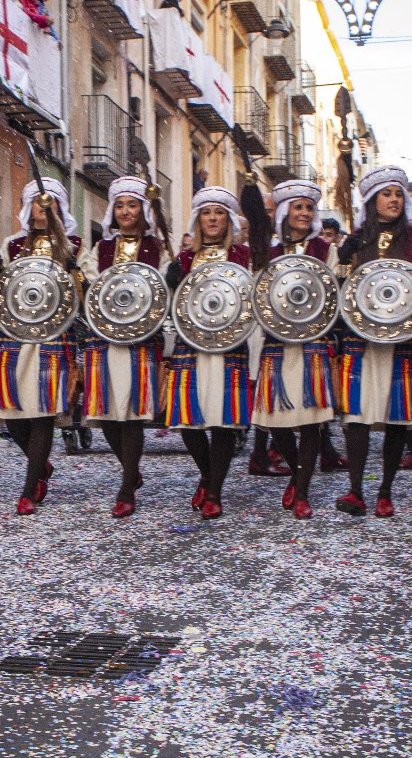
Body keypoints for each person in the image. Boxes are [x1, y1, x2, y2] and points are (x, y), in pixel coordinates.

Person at [333, 165, 412, 517]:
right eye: (387, 194)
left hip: (403, 338)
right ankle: (356, 490)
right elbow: (339, 291)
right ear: (373, 201)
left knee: (397, 417)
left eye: (398, 194)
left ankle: (385, 490)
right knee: (356, 416)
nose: (394, 200)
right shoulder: (356, 238)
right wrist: (343, 259)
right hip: (361, 339)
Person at [248, 178, 336, 519]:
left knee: (311, 422)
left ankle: (301, 491)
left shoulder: (325, 250)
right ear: (285, 211)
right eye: (297, 206)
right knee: (278, 422)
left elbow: (332, 293)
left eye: (309, 207)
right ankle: (299, 473)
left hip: (313, 341)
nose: (304, 212)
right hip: (276, 342)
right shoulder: (267, 252)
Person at [0, 180, 81, 515]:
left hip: (53, 336)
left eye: (51, 204)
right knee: (15, 415)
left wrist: (75, 271)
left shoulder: (75, 245)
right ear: (28, 208)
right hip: (13, 336)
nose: (43, 210)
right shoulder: (12, 245)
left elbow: (83, 293)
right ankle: (40, 465)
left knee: (41, 412)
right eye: (37, 204)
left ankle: (29, 490)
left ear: (60, 208)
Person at [81, 177, 166, 518]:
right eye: (120, 205)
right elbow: (90, 278)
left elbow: (160, 287)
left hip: (141, 339)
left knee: (131, 415)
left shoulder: (157, 248)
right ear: (112, 212)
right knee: (106, 417)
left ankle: (127, 485)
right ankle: (132, 471)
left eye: (132, 205)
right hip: (102, 337)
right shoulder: (100, 248)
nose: (126, 211)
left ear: (143, 210)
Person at [165, 187, 252, 519]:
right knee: (189, 420)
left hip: (231, 343)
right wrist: (172, 282)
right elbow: (172, 304)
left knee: (223, 422)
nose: (213, 218)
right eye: (206, 213)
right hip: (191, 342)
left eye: (219, 213)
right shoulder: (184, 258)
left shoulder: (242, 256)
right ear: (198, 220)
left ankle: (214, 491)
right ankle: (207, 473)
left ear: (227, 219)